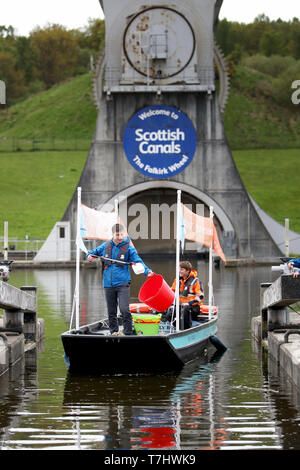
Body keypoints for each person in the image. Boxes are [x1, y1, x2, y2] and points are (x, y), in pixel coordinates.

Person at [87, 224, 153, 336]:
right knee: (111, 311)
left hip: (123, 284)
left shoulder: (129, 249)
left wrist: (148, 271)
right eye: (118, 234)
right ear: (113, 234)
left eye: (122, 234)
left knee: (124, 309)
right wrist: (89, 256)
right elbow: (91, 253)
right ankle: (114, 332)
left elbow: (138, 262)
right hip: (108, 284)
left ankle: (127, 333)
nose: (120, 236)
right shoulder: (105, 246)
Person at [170, 261, 204, 329]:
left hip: (193, 308)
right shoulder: (177, 281)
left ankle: (186, 329)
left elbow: (200, 296)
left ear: (187, 271)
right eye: (179, 269)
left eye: (182, 269)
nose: (179, 271)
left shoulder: (196, 281)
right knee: (170, 310)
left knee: (185, 309)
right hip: (180, 306)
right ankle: (172, 327)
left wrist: (189, 303)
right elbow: (171, 293)